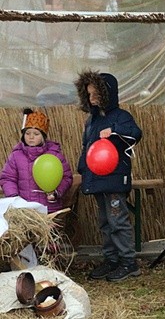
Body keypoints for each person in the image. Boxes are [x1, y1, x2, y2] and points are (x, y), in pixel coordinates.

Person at [75, 70, 142, 282]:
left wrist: (113, 129)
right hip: (96, 178)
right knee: (104, 221)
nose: (92, 98)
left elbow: (135, 133)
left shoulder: (122, 117)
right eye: (89, 94)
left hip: (115, 178)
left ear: (107, 94)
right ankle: (112, 260)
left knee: (117, 220)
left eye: (96, 94)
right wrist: (83, 169)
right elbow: (87, 148)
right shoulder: (91, 121)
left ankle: (128, 262)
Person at [1, 109, 74, 213]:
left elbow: (66, 177)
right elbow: (7, 178)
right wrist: (14, 198)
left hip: (49, 208)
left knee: (50, 230)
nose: (31, 137)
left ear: (43, 137)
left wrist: (56, 192)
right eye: (27, 133)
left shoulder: (54, 155)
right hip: (25, 210)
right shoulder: (16, 156)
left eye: (36, 134)